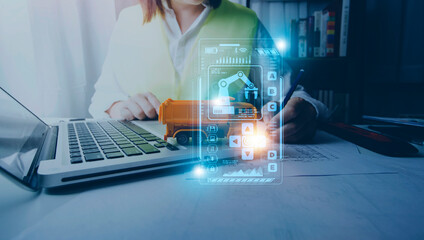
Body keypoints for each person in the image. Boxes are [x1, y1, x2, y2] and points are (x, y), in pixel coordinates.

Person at [89, 0, 328, 143]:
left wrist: (306, 108)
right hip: (141, 160)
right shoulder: (128, 20)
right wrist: (119, 107)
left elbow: (289, 93)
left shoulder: (247, 21)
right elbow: (102, 98)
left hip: (222, 164)